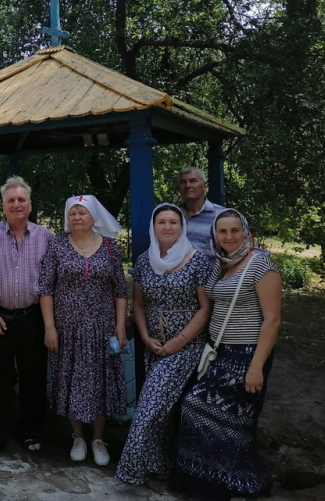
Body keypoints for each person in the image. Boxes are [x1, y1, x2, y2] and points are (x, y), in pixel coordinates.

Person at [172, 209, 282, 500]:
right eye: (223, 231)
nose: (229, 237)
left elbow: (272, 320)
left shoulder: (262, 266)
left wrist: (256, 366)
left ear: (245, 232)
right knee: (228, 422)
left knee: (197, 406)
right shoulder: (221, 265)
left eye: (235, 231)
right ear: (215, 235)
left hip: (247, 354)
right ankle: (221, 480)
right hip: (220, 350)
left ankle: (222, 483)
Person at [115, 203, 214, 484]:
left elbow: (205, 309)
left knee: (150, 406)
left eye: (173, 222)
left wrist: (179, 341)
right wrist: (145, 337)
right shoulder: (145, 261)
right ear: (153, 227)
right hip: (154, 344)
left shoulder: (197, 261)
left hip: (186, 345)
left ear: (182, 227)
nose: (167, 227)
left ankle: (130, 470)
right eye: (162, 222)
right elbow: (139, 304)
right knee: (165, 408)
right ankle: (162, 463)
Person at [38, 195, 128, 466]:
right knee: (70, 380)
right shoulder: (56, 246)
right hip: (67, 328)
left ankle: (98, 438)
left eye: (83, 213)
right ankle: (77, 436)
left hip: (101, 328)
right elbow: (46, 289)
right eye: (73, 213)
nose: (77, 217)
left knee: (101, 381)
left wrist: (120, 325)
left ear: (93, 217)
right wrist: (50, 327)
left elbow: (121, 291)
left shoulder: (110, 248)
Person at [0, 176, 53, 462]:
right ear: (3, 207)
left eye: (21, 200)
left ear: (29, 205)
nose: (16, 204)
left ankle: (30, 431)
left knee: (34, 378)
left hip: (32, 318)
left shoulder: (46, 237)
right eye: (10, 201)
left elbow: (51, 282)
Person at [178, 167, 225, 257]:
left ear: (204, 186)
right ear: (178, 188)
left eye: (193, 181)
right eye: (183, 182)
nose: (188, 185)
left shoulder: (222, 215)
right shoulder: (173, 216)